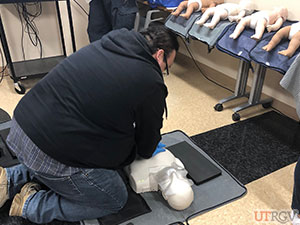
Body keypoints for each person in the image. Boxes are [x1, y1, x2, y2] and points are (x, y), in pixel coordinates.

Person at [1, 24, 179, 223]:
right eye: (166, 68)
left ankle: (7, 181)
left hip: (21, 128)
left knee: (59, 149)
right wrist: (145, 147)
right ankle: (32, 205)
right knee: (113, 197)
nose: (163, 73)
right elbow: (146, 145)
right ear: (159, 55)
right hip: (49, 149)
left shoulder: (110, 43)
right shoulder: (150, 81)